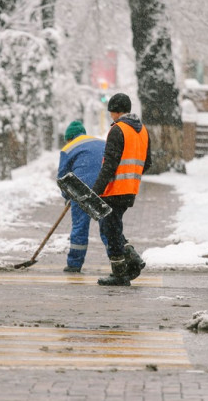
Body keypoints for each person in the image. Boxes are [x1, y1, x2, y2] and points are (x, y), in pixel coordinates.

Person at [91, 93, 151, 286]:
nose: (111, 116)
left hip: (114, 189)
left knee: (110, 229)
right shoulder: (142, 131)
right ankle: (132, 259)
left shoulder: (118, 130)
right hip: (130, 189)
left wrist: (95, 191)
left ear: (115, 111)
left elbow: (109, 164)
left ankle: (120, 273)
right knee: (113, 227)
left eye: (111, 112)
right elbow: (147, 163)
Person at [57, 121, 108, 273]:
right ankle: (118, 259)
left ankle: (74, 264)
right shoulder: (101, 143)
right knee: (108, 227)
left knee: (80, 227)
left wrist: (68, 196)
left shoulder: (68, 148)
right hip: (105, 186)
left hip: (81, 189)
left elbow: (63, 177)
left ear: (69, 138)